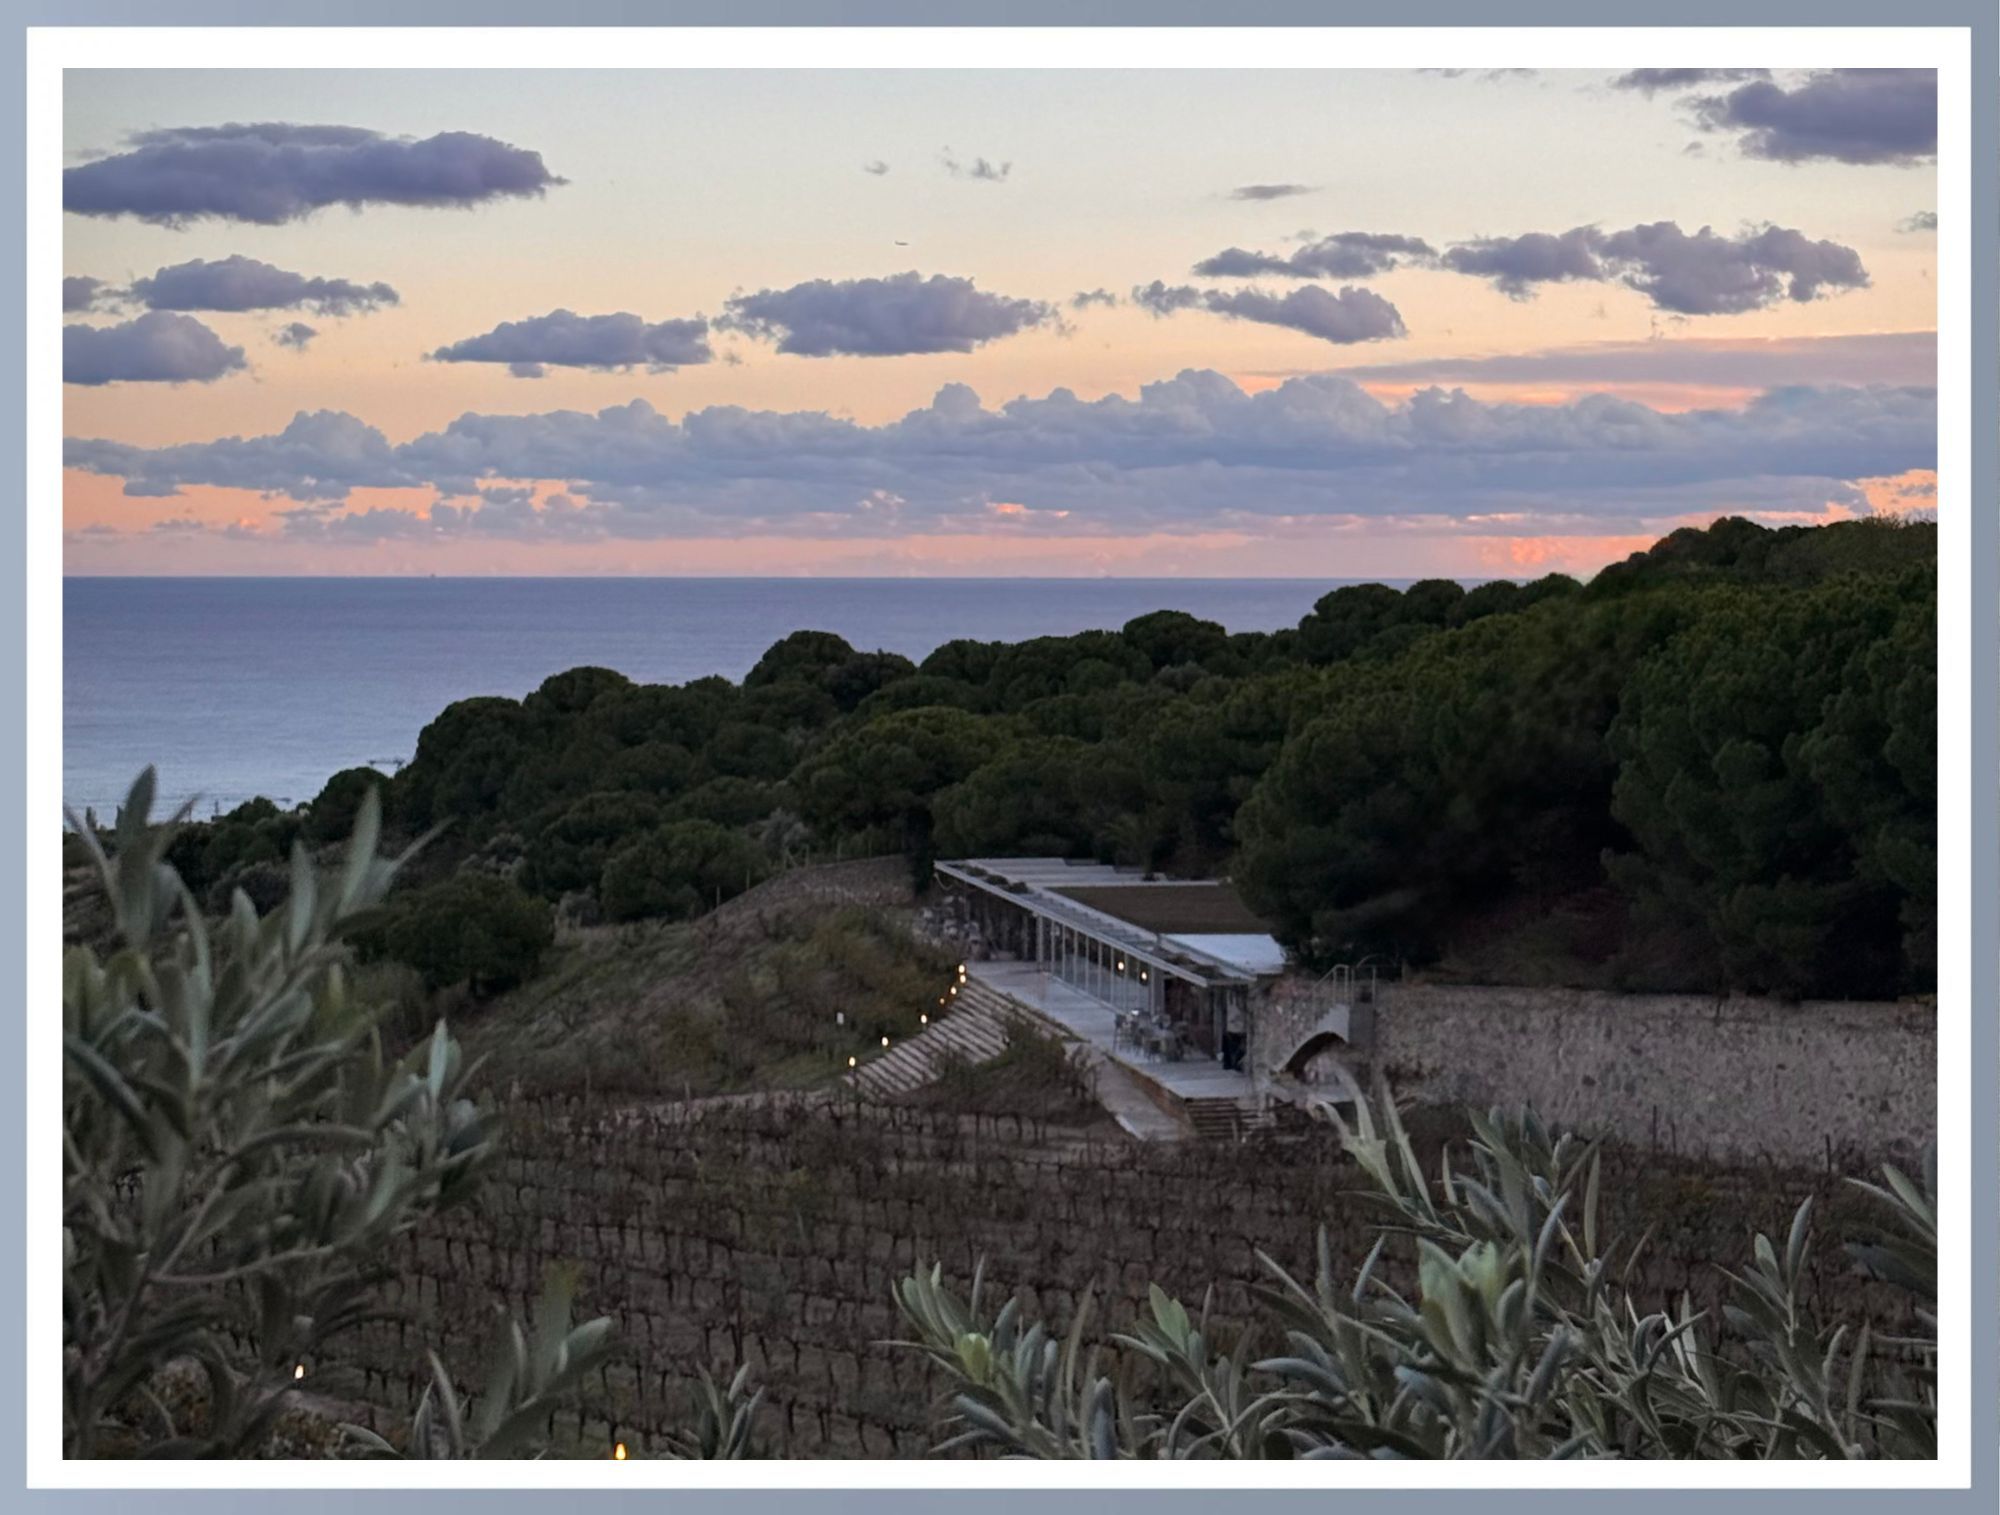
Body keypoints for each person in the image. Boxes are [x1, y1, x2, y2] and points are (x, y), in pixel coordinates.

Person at [1222, 993, 1246, 1071]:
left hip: (1236, 1030)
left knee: (1235, 1049)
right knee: (1234, 1049)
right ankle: (1234, 1064)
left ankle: (1233, 1064)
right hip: (1234, 1031)